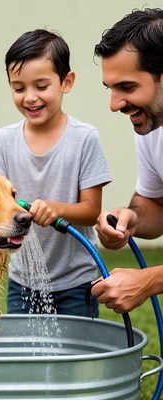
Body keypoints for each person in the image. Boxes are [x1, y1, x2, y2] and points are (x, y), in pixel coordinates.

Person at [0, 29, 111, 317]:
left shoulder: (84, 138)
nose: (30, 97)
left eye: (41, 86)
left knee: (75, 358)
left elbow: (92, 211)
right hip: (22, 282)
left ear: (67, 82)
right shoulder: (3, 140)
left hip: (78, 282)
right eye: (18, 88)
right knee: (24, 358)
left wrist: (56, 209)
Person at [91, 8, 163, 313]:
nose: (114, 104)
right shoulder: (151, 127)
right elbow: (155, 204)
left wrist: (148, 280)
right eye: (111, 88)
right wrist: (130, 219)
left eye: (127, 87)